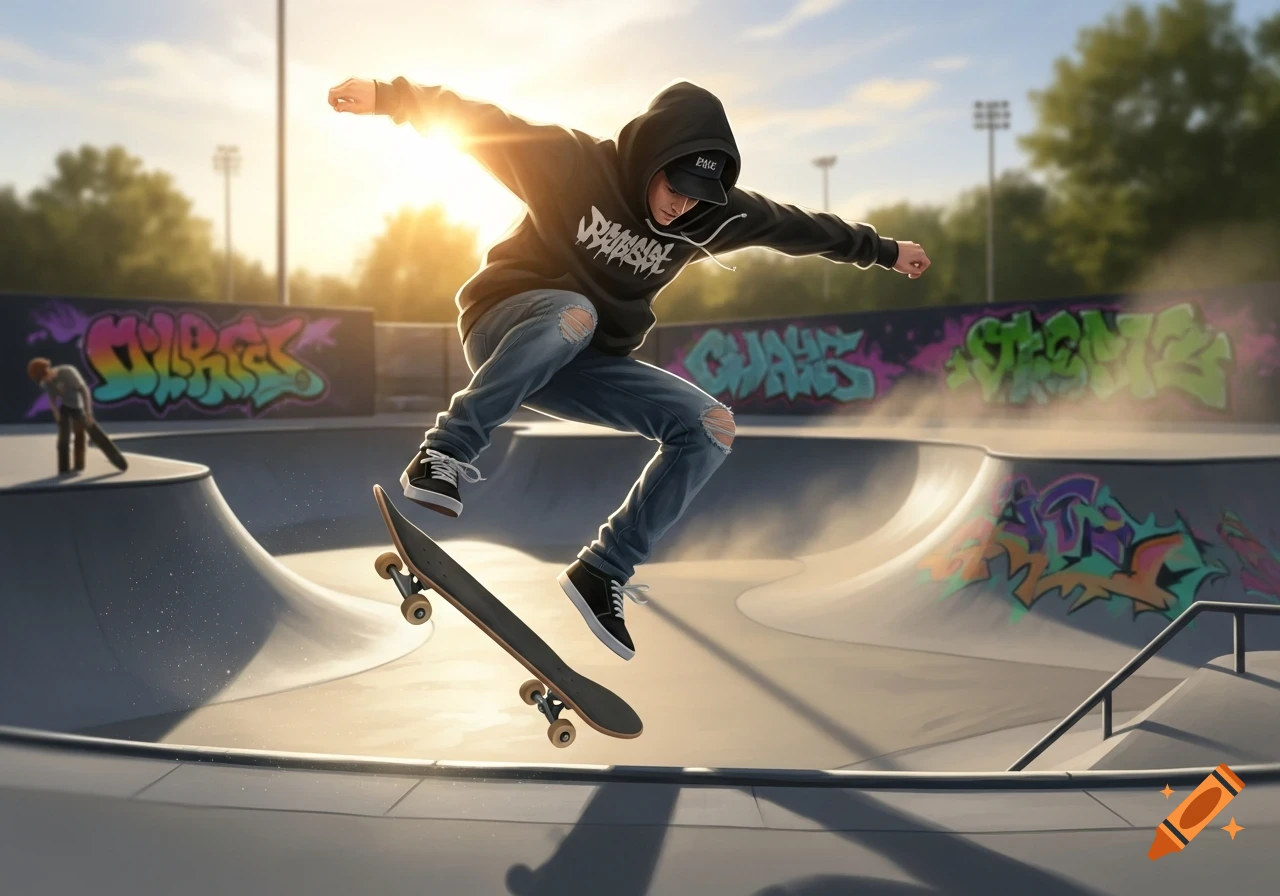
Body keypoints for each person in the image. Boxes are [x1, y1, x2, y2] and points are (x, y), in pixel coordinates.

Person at [328, 76, 931, 661]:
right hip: (505, 325)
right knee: (577, 312)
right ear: (652, 158)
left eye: (697, 196)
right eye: (677, 187)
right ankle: (445, 452)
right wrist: (391, 98)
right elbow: (483, 126)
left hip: (583, 361)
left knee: (710, 427)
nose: (682, 205)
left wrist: (881, 251)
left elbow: (793, 226)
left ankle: (603, 570)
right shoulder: (572, 165)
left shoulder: (708, 218)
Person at [27, 358, 98, 474]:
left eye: (45, 377)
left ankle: (79, 465)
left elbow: (84, 390)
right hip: (65, 407)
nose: (45, 381)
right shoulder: (47, 383)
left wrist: (88, 412)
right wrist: (56, 414)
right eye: (42, 380)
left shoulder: (68, 371)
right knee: (63, 438)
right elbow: (53, 400)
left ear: (47, 370)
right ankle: (63, 467)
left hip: (78, 406)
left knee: (80, 435)